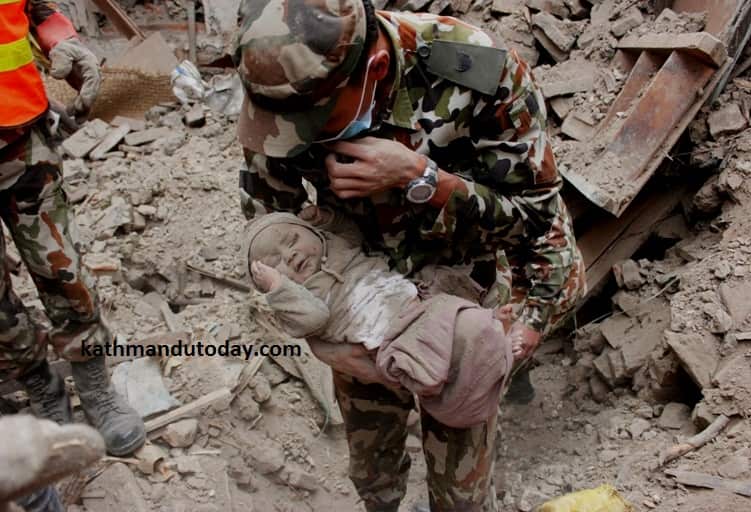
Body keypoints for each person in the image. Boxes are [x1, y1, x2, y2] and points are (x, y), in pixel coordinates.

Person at [233, 0, 586, 509]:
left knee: (461, 493)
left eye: (312, 123)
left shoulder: (479, 72)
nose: (293, 137)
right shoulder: (280, 96)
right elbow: (267, 227)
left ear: (375, 70)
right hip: (354, 305)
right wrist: (320, 335)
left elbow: (537, 220)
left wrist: (422, 180)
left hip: (461, 308)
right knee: (372, 472)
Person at [0, 0, 145, 469]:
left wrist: (62, 39)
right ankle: (39, 383)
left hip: (21, 139)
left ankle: (94, 384)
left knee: (63, 270)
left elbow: (31, 7)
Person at [244, 209, 519, 428]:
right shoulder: (302, 297)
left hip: (415, 299)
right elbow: (314, 319)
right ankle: (461, 394)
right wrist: (280, 289)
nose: (290, 255)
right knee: (436, 373)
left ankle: (489, 328)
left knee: (456, 313)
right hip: (391, 337)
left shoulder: (335, 245)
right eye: (275, 263)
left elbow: (351, 232)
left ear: (314, 232)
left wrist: (327, 218)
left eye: (292, 240)